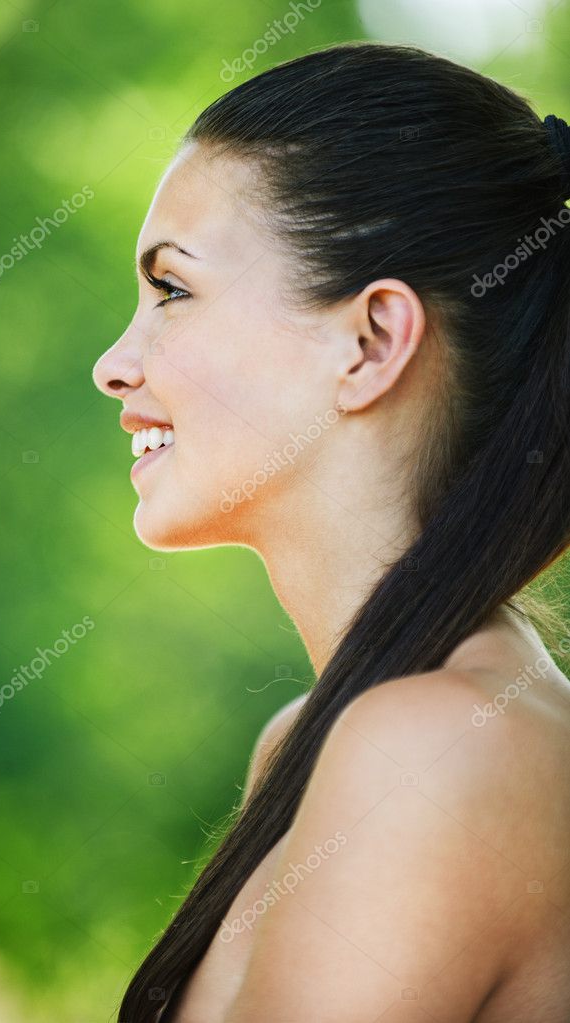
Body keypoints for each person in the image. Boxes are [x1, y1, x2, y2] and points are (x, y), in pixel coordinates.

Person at [92, 41, 570, 1023]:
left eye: (172, 289)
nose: (112, 364)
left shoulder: (435, 747)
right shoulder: (318, 743)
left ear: (373, 341)